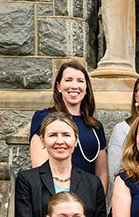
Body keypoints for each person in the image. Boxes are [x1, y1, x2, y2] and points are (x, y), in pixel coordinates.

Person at [16, 111, 107, 217]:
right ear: (43, 140)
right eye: (53, 135)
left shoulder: (92, 183)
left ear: (76, 140)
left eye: (66, 135)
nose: (60, 141)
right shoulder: (27, 180)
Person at [30, 60, 107, 192]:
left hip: (88, 201)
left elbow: (102, 174)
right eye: (68, 80)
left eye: (80, 81)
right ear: (58, 86)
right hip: (56, 199)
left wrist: (96, 203)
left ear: (86, 88)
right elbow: (39, 167)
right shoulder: (44, 118)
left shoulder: (96, 127)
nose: (74, 86)